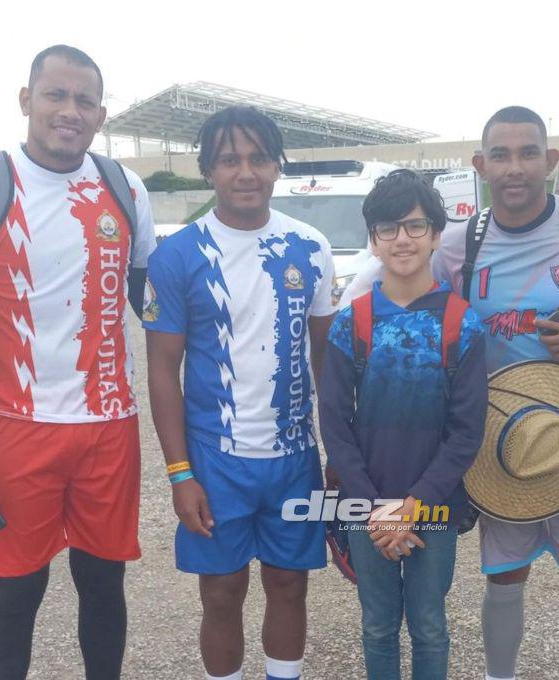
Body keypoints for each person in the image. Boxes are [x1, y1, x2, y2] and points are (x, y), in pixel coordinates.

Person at [345, 106, 559, 680]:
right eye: (502, 155)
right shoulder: (457, 244)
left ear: (552, 160)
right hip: (495, 443)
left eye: (529, 153)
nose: (515, 168)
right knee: (504, 575)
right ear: (480, 165)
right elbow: (398, 287)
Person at [0, 45, 156, 679]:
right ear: (26, 100)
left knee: (104, 587)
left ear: (101, 115)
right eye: (56, 95)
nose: (69, 111)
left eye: (85, 101)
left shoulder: (125, 187)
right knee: (14, 596)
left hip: (109, 428)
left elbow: (153, 306)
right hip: (19, 428)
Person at [144, 105, 336, 680]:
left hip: (294, 458)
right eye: (230, 160)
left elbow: (327, 363)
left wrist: (339, 455)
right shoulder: (177, 255)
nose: (245, 172)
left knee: (289, 585)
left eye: (259, 158)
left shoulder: (311, 246)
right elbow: (162, 370)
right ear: (208, 170)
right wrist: (180, 474)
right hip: (214, 460)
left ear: (278, 166)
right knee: (222, 593)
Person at [318, 170, 487, 679]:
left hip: (434, 504)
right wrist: (376, 508)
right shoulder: (352, 321)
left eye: (415, 226)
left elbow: (466, 430)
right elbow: (335, 423)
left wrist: (412, 506)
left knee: (430, 625)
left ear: (436, 234)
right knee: (377, 626)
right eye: (388, 228)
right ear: (373, 240)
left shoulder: (462, 322)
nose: (402, 239)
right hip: (365, 503)